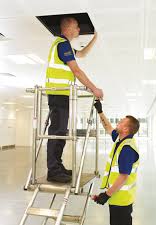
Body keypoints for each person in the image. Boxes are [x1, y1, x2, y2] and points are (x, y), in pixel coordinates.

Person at [45, 17, 103, 183]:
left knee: (61, 132)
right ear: (69, 28)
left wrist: (95, 38)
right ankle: (53, 171)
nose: (78, 30)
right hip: (58, 94)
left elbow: (82, 54)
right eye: (77, 27)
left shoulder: (65, 45)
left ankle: (58, 166)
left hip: (62, 95)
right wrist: (94, 88)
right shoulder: (62, 44)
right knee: (57, 132)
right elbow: (76, 71)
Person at [92, 100, 140, 225]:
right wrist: (100, 111)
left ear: (125, 129)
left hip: (121, 201)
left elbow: (124, 176)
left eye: (121, 122)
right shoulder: (120, 140)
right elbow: (108, 127)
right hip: (117, 198)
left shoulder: (127, 148)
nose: (118, 122)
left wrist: (106, 195)